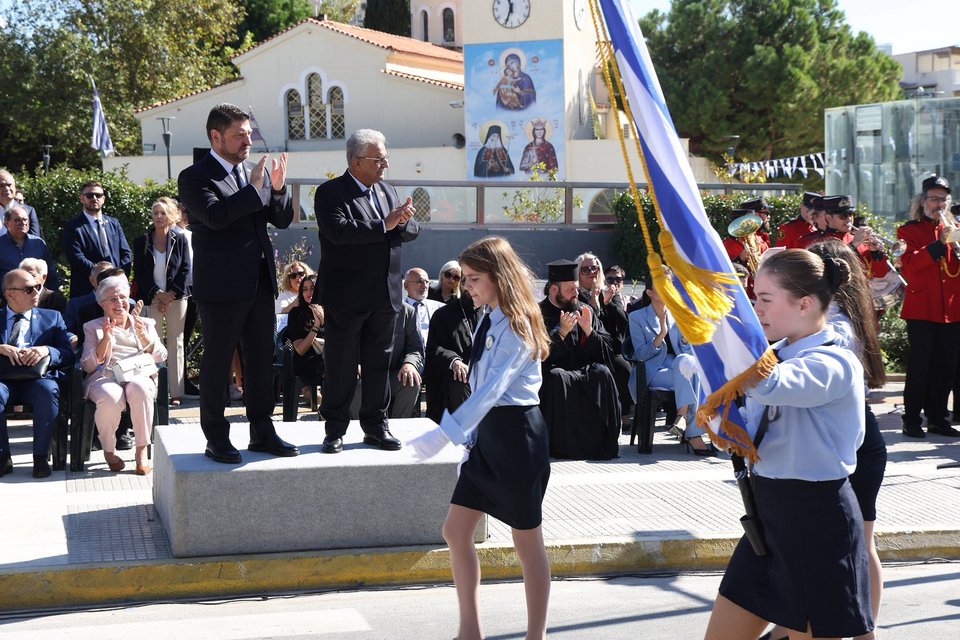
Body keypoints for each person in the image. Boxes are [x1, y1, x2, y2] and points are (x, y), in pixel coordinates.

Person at [704, 249, 873, 640]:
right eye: (754, 298)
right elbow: (746, 428)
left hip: (816, 521)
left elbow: (772, 384)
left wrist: (721, 326)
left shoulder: (833, 363)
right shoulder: (774, 355)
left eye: (765, 299)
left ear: (804, 304)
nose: (756, 309)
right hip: (770, 514)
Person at [408, 235, 552, 640]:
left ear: (498, 277)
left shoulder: (519, 324)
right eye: (465, 278)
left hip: (516, 437)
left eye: (473, 278)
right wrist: (468, 440)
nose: (465, 286)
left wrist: (447, 434)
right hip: (488, 435)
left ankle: (536, 637)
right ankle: (469, 631)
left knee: (527, 544)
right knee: (455, 531)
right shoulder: (488, 315)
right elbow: (479, 387)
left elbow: (492, 390)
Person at [178, 103, 298, 464]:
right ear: (216, 137)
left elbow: (281, 219)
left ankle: (262, 431)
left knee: (260, 359)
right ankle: (216, 436)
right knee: (217, 364)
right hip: (221, 286)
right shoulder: (195, 177)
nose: (248, 141)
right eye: (239, 135)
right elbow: (215, 217)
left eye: (249, 134)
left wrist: (278, 189)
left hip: (259, 282)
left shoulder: (252, 173)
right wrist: (256, 187)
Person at [313, 128, 419, 454]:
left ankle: (376, 426)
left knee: (379, 364)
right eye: (379, 159)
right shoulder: (331, 192)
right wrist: (385, 225)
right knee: (341, 366)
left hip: (385, 295)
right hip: (347, 296)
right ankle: (334, 429)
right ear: (357, 162)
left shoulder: (387, 190)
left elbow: (410, 230)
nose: (385, 164)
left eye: (386, 158)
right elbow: (339, 232)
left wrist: (403, 220)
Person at [806, 239, 888, 640]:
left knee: (851, 547)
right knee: (858, 546)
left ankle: (862, 632)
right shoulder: (847, 313)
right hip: (857, 436)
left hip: (851, 440)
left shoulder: (835, 323)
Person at [80, 276, 167, 476]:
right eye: (113, 299)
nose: (119, 303)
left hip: (138, 374)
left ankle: (141, 451)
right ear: (102, 303)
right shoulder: (92, 327)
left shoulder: (145, 323)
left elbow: (162, 356)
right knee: (112, 397)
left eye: (122, 298)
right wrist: (105, 339)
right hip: (105, 375)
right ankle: (109, 451)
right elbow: (88, 365)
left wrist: (144, 337)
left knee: (140, 388)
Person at [896, 175, 960, 438]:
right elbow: (910, 267)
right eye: (933, 199)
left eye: (943, 199)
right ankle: (911, 419)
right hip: (922, 309)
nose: (939, 204)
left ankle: (937, 418)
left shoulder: (955, 228)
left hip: (951, 309)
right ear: (922, 202)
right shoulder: (908, 231)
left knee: (946, 367)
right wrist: (938, 244)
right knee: (920, 367)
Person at [538, 259, 621, 460]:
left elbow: (608, 348)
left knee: (602, 373)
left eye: (576, 288)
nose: (576, 293)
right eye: (570, 290)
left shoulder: (585, 309)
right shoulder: (537, 313)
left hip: (584, 368)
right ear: (554, 290)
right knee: (558, 378)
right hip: (553, 370)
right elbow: (537, 354)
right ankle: (562, 447)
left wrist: (589, 330)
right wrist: (561, 333)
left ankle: (603, 443)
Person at [625, 271, 712, 456]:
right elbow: (640, 354)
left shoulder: (678, 315)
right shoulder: (637, 317)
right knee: (691, 371)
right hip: (652, 371)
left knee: (687, 362)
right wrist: (661, 335)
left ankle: (682, 418)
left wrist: (687, 338)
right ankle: (692, 431)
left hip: (680, 369)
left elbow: (687, 352)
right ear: (650, 292)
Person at [0, 269, 74, 479]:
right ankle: (2, 457)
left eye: (38, 287)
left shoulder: (52, 317)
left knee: (48, 391)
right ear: (10, 293)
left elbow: (68, 353)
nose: (36, 292)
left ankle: (40, 457)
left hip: (37, 379)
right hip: (4, 380)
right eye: (29, 289)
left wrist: (47, 351)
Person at [132, 197, 191, 406]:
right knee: (152, 343)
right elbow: (139, 272)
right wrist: (158, 294)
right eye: (155, 213)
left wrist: (170, 294)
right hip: (151, 297)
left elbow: (185, 269)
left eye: (163, 213)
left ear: (171, 216)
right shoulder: (142, 241)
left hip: (176, 298)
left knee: (176, 343)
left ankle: (176, 392)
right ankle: (155, 390)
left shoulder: (180, 239)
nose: (158, 216)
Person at [577, 252, 632, 426]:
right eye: (586, 269)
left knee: (623, 367)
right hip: (585, 347)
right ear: (578, 273)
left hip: (610, 348)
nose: (592, 272)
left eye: (595, 268)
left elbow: (624, 323)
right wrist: (594, 305)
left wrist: (607, 304)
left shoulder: (608, 291)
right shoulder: (575, 294)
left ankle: (624, 412)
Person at [350, 301, 424, 420]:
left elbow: (415, 347)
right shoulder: (354, 309)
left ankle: (398, 427)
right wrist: (352, 364)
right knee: (354, 383)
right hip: (362, 373)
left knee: (411, 382)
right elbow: (340, 344)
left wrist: (409, 363)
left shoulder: (407, 311)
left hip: (392, 373)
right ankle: (360, 427)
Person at [61, 180, 132, 299]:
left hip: (116, 289)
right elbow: (76, 257)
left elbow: (126, 253)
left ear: (103, 199)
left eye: (98, 195)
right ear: (82, 198)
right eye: (89, 195)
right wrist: (103, 275)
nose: (94, 198)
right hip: (86, 290)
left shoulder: (114, 223)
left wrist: (117, 275)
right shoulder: (72, 227)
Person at [424, 292, 482, 423]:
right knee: (460, 380)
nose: (469, 288)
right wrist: (454, 361)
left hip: (486, 372)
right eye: (465, 282)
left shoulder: (493, 313)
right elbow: (435, 348)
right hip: (454, 375)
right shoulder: (443, 314)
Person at [285, 274, 325, 404]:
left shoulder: (330, 310)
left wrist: (324, 319)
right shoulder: (296, 313)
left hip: (329, 357)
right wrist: (316, 326)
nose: (309, 292)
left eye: (312, 288)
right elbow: (300, 350)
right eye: (305, 289)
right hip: (306, 360)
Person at [0, 206, 58, 290]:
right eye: (17, 220)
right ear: (6, 222)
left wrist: (53, 294)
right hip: (8, 295)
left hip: (35, 295)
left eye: (25, 219)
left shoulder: (38, 243)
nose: (23, 223)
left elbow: (51, 273)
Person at [403, 267, 444, 346]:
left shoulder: (441, 308)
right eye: (420, 282)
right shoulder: (398, 310)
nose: (424, 286)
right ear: (406, 285)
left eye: (427, 282)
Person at [0, 170, 42, 238]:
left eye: (9, 185)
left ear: (15, 187)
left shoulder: (29, 211)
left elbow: (34, 240)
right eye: (1, 185)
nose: (6, 189)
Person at [275, 260, 314, 332]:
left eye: (301, 274)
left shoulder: (313, 293)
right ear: (288, 279)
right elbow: (280, 316)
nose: (297, 278)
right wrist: (299, 299)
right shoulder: (282, 297)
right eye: (293, 275)